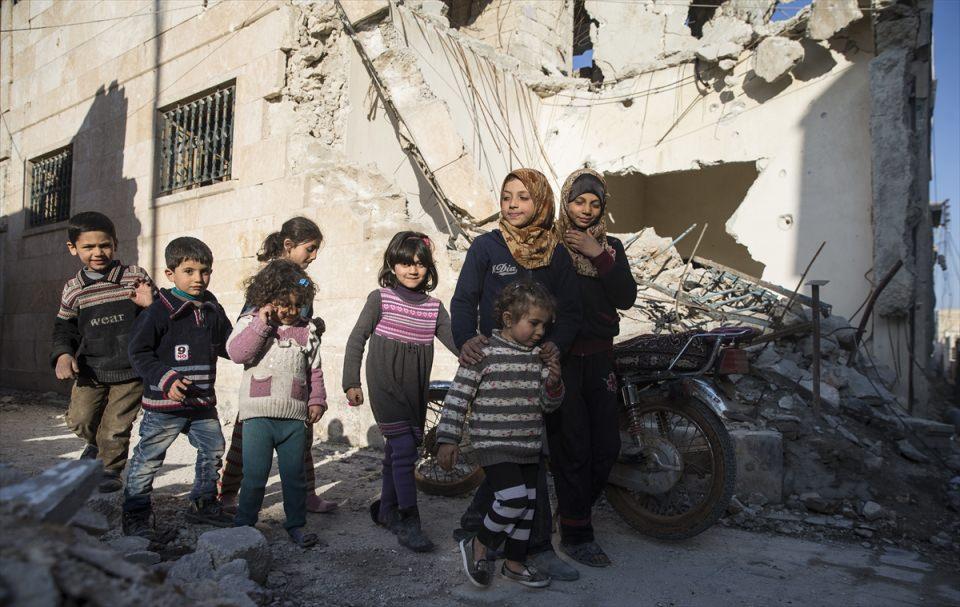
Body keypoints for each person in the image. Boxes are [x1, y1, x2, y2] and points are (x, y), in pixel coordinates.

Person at [450, 168, 582, 581]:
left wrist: (555, 347)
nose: (513, 204)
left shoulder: (556, 253)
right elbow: (463, 300)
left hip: (537, 371)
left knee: (529, 460)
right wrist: (465, 341)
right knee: (514, 463)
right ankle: (528, 548)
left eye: (524, 197)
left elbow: (571, 311)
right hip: (495, 368)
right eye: (507, 196)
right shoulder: (486, 247)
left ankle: (508, 542)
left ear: (540, 202)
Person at [437, 281, 565, 589]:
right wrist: (448, 439)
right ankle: (479, 544)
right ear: (508, 319)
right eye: (533, 323)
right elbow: (458, 397)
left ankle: (514, 564)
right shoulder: (482, 353)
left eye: (544, 325)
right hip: (493, 444)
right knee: (513, 499)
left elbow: (549, 405)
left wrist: (554, 384)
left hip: (528, 445)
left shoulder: (538, 358)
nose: (540, 331)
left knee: (527, 509)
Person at [342, 231, 458, 552]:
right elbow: (356, 338)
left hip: (415, 391)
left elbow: (458, 343)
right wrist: (351, 381)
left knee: (397, 451)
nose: (413, 269)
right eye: (406, 263)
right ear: (392, 265)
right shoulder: (380, 299)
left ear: (429, 268)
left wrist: (483, 354)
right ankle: (410, 519)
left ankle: (385, 510)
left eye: (420, 263)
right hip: (385, 385)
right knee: (405, 450)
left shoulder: (434, 308)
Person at [548, 168, 637, 566]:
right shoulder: (550, 244)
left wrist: (596, 253)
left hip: (600, 358)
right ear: (566, 202)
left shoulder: (610, 247)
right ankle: (577, 534)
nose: (586, 210)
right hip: (562, 359)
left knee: (607, 447)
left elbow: (625, 297)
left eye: (594, 204)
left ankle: (571, 514)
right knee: (572, 447)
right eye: (579, 201)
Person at [219, 217, 337, 514]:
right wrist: (263, 326)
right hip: (263, 378)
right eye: (310, 248)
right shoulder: (269, 280)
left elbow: (302, 322)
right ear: (288, 245)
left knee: (301, 440)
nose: (314, 256)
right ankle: (228, 493)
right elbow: (247, 323)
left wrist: (312, 326)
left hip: (294, 375)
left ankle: (306, 494)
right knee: (243, 439)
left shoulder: (302, 281)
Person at [122, 237, 233, 539]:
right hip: (164, 407)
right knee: (149, 459)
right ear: (170, 274)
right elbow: (139, 353)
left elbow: (229, 345)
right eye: (189, 271)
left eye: (205, 271)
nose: (198, 278)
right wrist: (167, 379)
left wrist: (259, 333)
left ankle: (203, 504)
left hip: (201, 403)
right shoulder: (158, 311)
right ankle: (135, 515)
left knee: (212, 450)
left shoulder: (212, 308)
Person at [51, 211, 154, 493]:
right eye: (88, 247)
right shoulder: (73, 289)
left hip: (130, 368)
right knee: (81, 419)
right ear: (73, 248)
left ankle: (109, 468)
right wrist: (63, 354)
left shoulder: (134, 277)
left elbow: (157, 318)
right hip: (91, 369)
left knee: (116, 425)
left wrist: (150, 304)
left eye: (104, 245)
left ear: (115, 244)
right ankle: (94, 443)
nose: (98, 253)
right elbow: (65, 327)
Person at [226, 260, 327, 548]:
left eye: (297, 305)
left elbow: (314, 370)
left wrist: (317, 400)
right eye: (284, 304)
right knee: (255, 475)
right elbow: (237, 354)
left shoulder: (307, 331)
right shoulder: (251, 322)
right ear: (267, 297)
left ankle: (296, 524)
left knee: (294, 477)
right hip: (258, 417)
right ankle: (244, 524)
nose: (290, 311)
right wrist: (261, 323)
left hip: (294, 418)